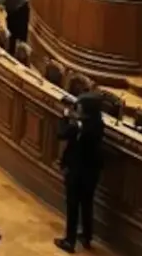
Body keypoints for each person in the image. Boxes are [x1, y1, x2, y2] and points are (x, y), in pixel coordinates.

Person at [54, 94, 105, 253]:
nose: (78, 107)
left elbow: (61, 134)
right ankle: (86, 237)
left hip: (77, 171)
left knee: (73, 206)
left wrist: (65, 116)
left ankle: (69, 241)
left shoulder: (79, 127)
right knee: (87, 204)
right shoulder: (98, 124)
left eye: (81, 106)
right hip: (92, 172)